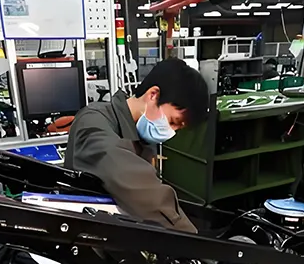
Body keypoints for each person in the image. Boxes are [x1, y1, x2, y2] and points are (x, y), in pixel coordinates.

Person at [65, 57, 210, 233]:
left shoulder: (142, 138)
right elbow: (124, 173)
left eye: (177, 129)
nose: (171, 132)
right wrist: (192, 238)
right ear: (153, 95)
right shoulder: (93, 120)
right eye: (173, 121)